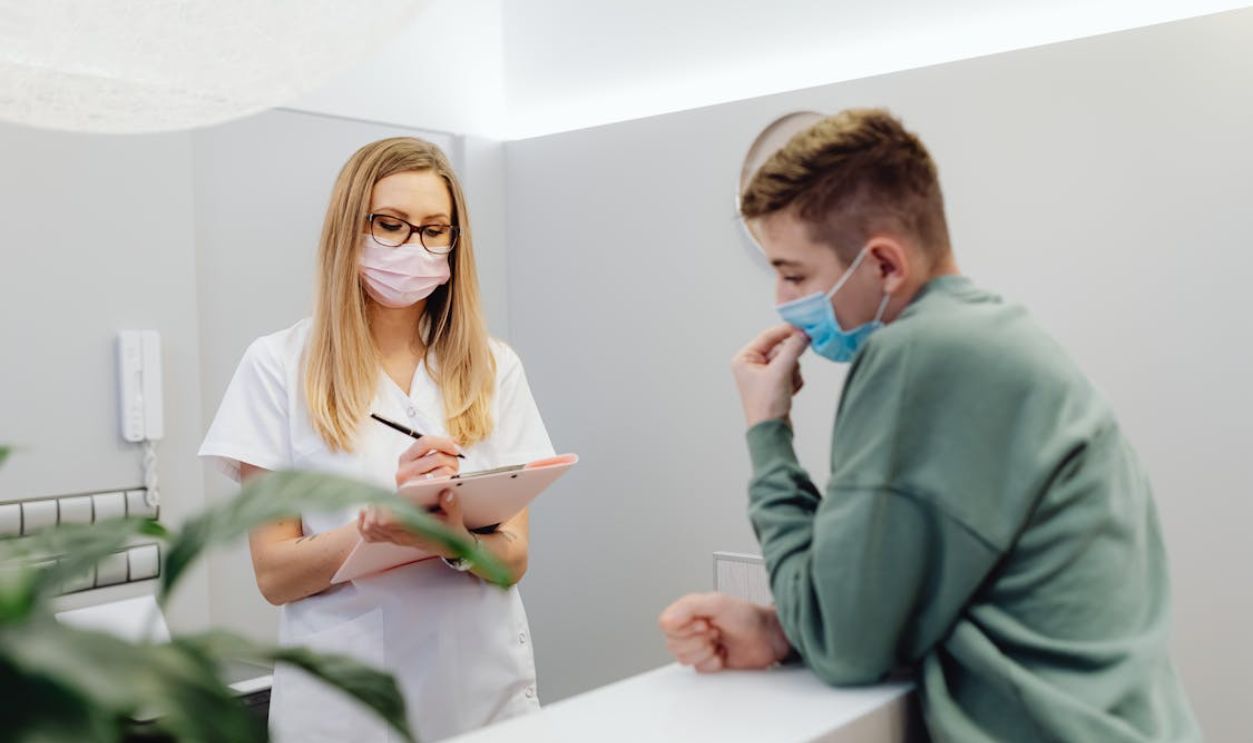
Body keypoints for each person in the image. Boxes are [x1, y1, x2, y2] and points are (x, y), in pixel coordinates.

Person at [659, 109, 1200, 742]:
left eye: (794, 273)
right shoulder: (996, 337)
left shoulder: (919, 356)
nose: (782, 302)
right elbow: (898, 602)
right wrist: (781, 630)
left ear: (885, 265)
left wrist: (767, 429)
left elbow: (844, 643)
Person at [200, 137, 553, 742]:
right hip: (348, 708)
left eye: (434, 230)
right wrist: (378, 526)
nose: (414, 247)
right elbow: (276, 576)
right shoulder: (278, 366)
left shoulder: (492, 367)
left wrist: (451, 539)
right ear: (349, 229)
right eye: (390, 225)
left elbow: (513, 558)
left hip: (482, 691)